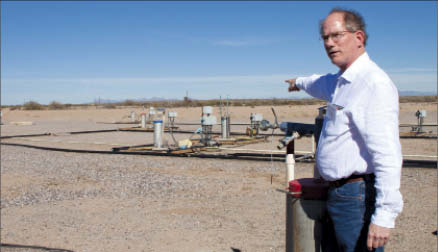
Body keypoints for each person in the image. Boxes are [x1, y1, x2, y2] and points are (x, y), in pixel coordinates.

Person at [285, 8, 403, 252]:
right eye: (325, 38)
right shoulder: (341, 81)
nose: (329, 43)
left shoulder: (372, 84)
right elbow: (318, 82)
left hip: (355, 197)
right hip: (337, 194)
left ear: (358, 38)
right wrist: (298, 82)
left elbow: (387, 154)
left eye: (336, 35)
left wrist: (384, 216)